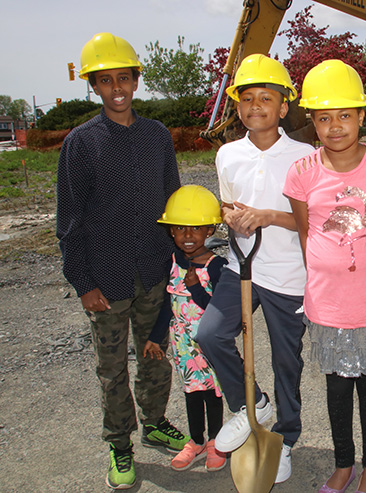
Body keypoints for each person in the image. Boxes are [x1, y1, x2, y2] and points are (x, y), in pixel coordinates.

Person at [56, 32, 187, 490]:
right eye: (106, 79)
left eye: (124, 78)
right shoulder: (80, 143)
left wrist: (181, 262)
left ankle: (154, 422)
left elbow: (173, 204)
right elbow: (69, 221)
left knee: (155, 355)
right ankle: (120, 444)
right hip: (106, 280)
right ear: (93, 85)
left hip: (154, 271)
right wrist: (83, 282)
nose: (116, 88)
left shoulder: (157, 136)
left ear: (135, 80)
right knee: (112, 369)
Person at [283, 59, 366, 493]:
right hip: (328, 303)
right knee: (336, 389)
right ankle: (344, 464)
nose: (335, 126)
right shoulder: (302, 172)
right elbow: (306, 233)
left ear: (360, 115)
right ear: (312, 122)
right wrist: (329, 271)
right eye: (323, 118)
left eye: (344, 115)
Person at [194, 54, 314, 484]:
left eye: (266, 97)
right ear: (237, 106)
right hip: (241, 266)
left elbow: (312, 220)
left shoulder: (305, 156)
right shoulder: (228, 154)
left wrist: (267, 216)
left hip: (289, 274)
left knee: (287, 362)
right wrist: (231, 216)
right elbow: (227, 205)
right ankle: (252, 405)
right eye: (247, 98)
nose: (256, 105)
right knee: (210, 333)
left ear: (283, 107)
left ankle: (287, 436)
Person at [143, 185, 228, 472]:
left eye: (196, 229)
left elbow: (221, 311)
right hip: (182, 344)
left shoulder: (217, 266)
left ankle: (216, 441)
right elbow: (169, 303)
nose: (187, 235)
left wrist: (197, 289)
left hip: (208, 343)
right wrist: (155, 337)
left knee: (212, 393)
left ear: (209, 230)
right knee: (192, 391)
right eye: (180, 228)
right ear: (171, 232)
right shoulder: (174, 263)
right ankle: (196, 441)